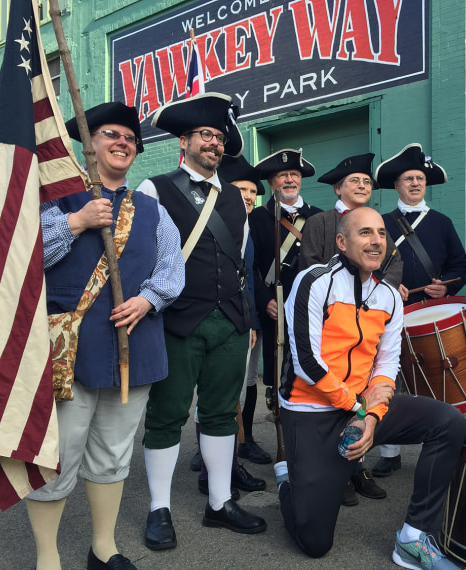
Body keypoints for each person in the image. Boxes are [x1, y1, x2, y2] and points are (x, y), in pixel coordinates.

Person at [28, 102, 184, 570]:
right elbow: (24, 261)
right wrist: (77, 223)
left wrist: (148, 300)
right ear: (88, 143)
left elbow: (172, 270)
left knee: (114, 454)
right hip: (69, 354)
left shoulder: (154, 211)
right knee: (56, 456)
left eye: (130, 139)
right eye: (110, 134)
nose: (122, 143)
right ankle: (48, 556)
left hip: (134, 348)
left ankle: (103, 547)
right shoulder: (56, 201)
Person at [274, 207, 466, 569]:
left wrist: (373, 416)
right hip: (311, 410)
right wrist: (358, 410)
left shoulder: (389, 296)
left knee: (448, 421)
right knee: (314, 543)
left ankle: (414, 536)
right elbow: (307, 363)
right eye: (365, 233)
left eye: (381, 233)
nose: (377, 240)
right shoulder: (313, 281)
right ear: (342, 242)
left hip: (361, 408)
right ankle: (289, 480)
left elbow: (386, 364)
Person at [138, 92, 266, 549]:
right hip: (177, 321)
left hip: (231, 322)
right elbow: (141, 257)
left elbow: (241, 265)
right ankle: (159, 508)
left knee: (219, 415)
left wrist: (248, 319)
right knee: (167, 415)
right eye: (205, 135)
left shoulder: (234, 197)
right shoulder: (154, 188)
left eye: (218, 136)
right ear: (185, 141)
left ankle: (219, 502)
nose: (214, 142)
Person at [297, 153, 401, 504]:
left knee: (368, 386)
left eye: (367, 181)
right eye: (354, 181)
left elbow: (393, 264)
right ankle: (338, 471)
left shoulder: (379, 224)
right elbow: (309, 265)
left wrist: (376, 293)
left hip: (369, 321)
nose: (362, 186)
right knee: (339, 390)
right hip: (332, 323)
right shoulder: (320, 222)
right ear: (338, 188)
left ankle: (359, 467)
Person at [372, 143, 466, 478]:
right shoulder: (381, 223)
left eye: (419, 178)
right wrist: (386, 285)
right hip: (390, 315)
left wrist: (446, 286)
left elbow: (460, 266)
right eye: (407, 179)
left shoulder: (441, 223)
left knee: (438, 381)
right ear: (396, 186)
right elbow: (369, 266)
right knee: (388, 381)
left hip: (431, 314)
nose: (414, 183)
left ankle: (440, 444)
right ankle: (389, 451)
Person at [189, 154, 268, 497]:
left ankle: (229, 465)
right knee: (215, 399)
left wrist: (249, 322)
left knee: (230, 396)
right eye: (241, 189)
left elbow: (247, 280)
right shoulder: (213, 223)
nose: (248, 196)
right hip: (208, 322)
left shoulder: (246, 228)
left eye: (252, 191)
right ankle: (213, 472)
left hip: (239, 320)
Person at [248, 149, 322, 424]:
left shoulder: (318, 217)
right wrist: (265, 298)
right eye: (282, 175)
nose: (290, 179)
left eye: (294, 174)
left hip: (310, 309)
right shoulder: (255, 218)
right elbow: (249, 265)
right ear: (271, 182)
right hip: (274, 309)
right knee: (278, 371)